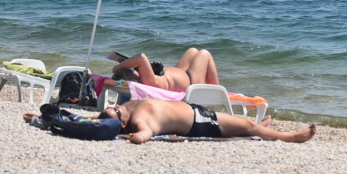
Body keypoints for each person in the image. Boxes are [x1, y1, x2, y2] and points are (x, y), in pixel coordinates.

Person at [24, 99, 317, 145]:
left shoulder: (127, 107)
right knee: (249, 128)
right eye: (113, 114)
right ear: (121, 125)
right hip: (201, 124)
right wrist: (140, 137)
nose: (114, 108)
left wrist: (40, 117)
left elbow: (85, 118)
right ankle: (292, 137)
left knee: (246, 123)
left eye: (111, 109)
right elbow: (147, 133)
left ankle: (263, 126)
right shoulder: (137, 120)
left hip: (195, 109)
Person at [110, 48, 219, 92]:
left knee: (193, 51)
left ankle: (216, 95)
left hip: (179, 72)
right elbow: (141, 57)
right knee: (205, 53)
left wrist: (124, 62)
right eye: (131, 70)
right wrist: (117, 68)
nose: (132, 70)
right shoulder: (148, 81)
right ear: (133, 77)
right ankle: (217, 94)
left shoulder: (144, 78)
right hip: (190, 80)